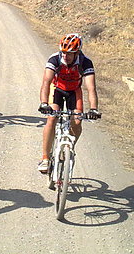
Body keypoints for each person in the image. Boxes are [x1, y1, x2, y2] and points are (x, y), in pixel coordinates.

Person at [37, 33, 101, 173]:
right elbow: (46, 82)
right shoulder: (55, 59)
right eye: (64, 52)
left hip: (74, 91)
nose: (65, 56)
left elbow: (91, 88)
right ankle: (45, 158)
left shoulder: (85, 62)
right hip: (58, 89)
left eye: (69, 53)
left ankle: (70, 147)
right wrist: (43, 103)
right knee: (52, 117)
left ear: (77, 52)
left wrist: (93, 109)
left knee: (77, 121)